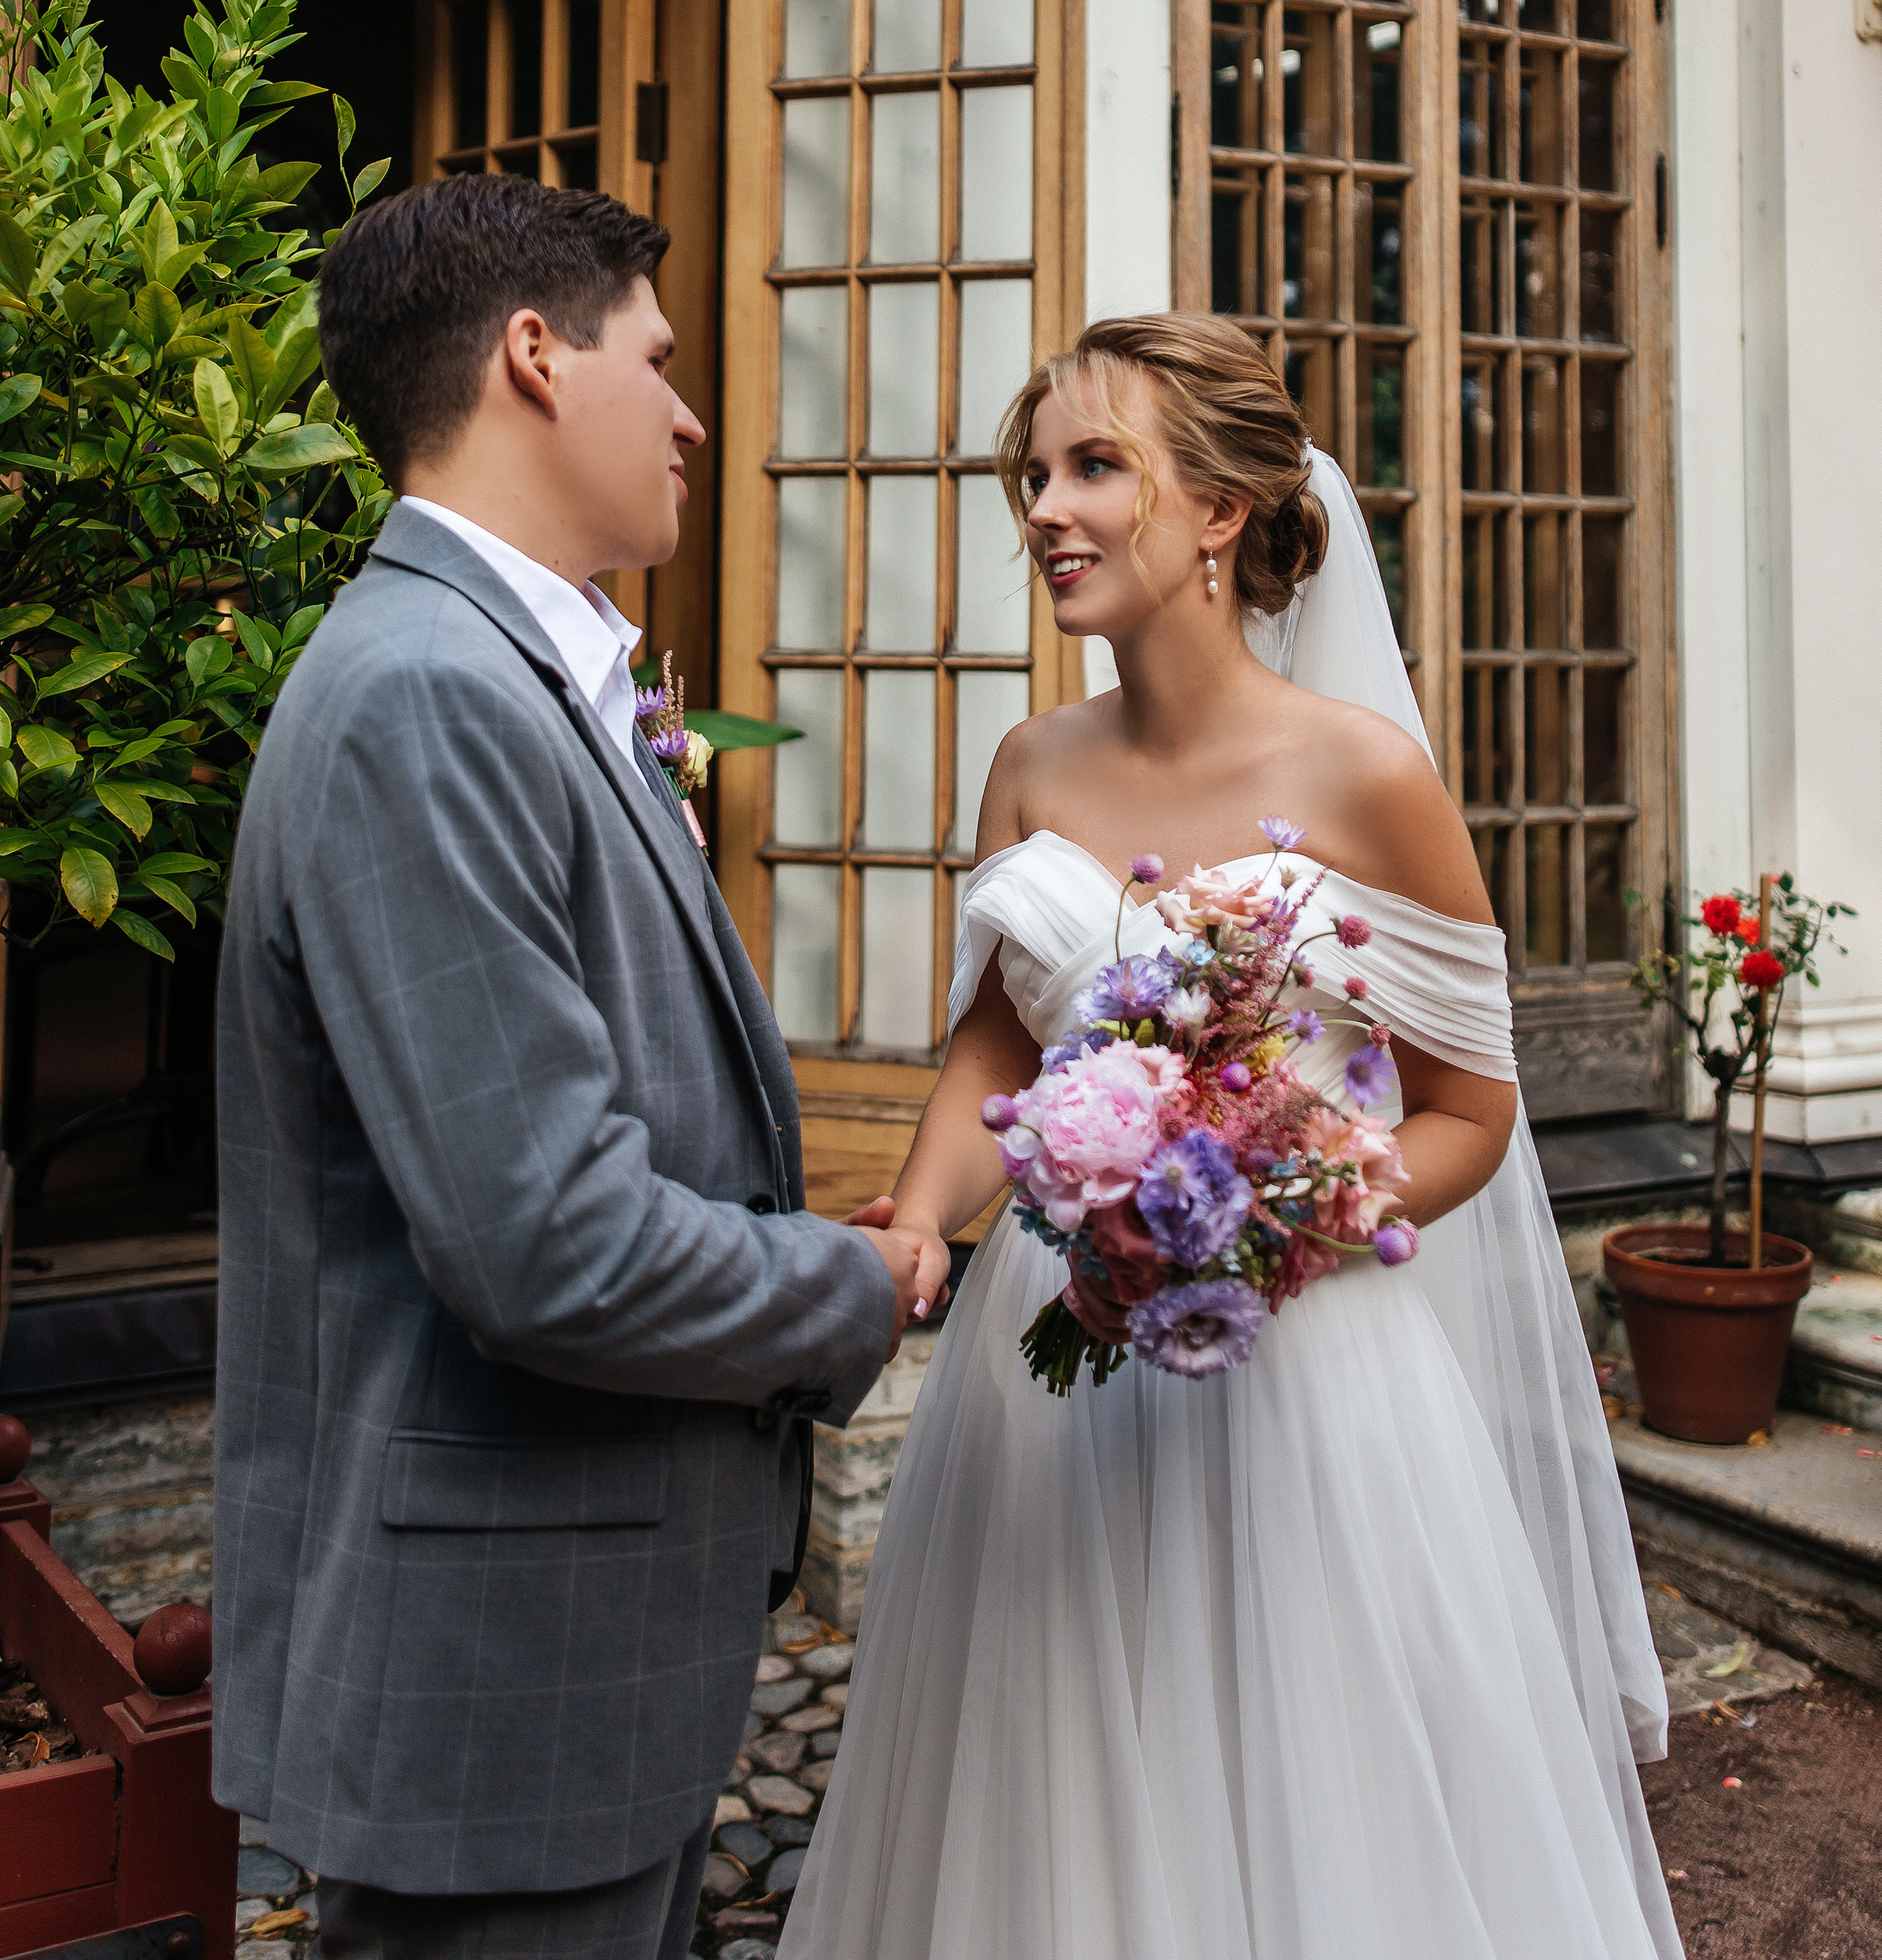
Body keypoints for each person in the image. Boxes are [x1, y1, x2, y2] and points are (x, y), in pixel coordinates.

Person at [782, 312, 1682, 1960]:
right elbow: (999, 1032)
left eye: (1092, 468)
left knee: (1308, 1796)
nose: (1043, 509)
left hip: (1309, 1370)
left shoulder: (1364, 775)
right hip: (1046, 1370)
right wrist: (918, 1219)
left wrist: (1266, 1213)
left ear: (1216, 513)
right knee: (1049, 1779)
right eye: (1032, 474)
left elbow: (1469, 1112)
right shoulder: (1027, 763)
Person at [211, 176, 928, 1960]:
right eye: (657, 358)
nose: (690, 410)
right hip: (500, 1666)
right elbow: (551, 1246)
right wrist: (851, 1281)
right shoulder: (428, 695)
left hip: (573, 1652)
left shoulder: (503, 672)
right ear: (533, 356)